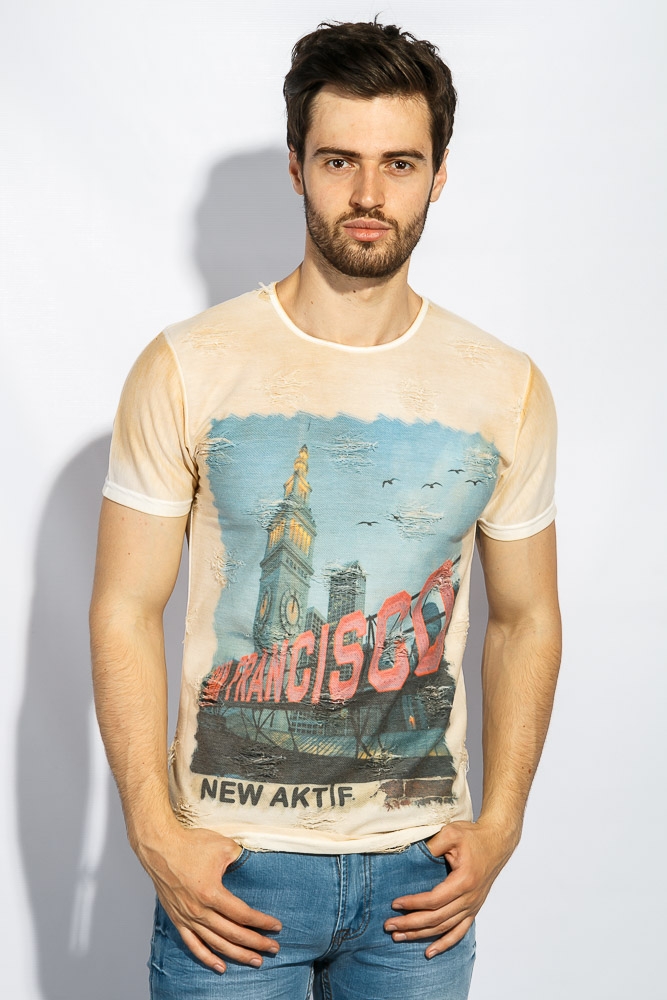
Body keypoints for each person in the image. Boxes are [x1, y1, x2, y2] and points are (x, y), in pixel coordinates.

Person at [90, 19, 561, 1000]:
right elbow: (125, 606)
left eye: (399, 163)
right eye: (340, 160)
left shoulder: (504, 386)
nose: (368, 193)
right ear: (297, 167)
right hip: (231, 872)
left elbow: (525, 618)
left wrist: (503, 824)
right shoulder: (187, 366)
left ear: (438, 176)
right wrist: (151, 828)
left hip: (419, 881)